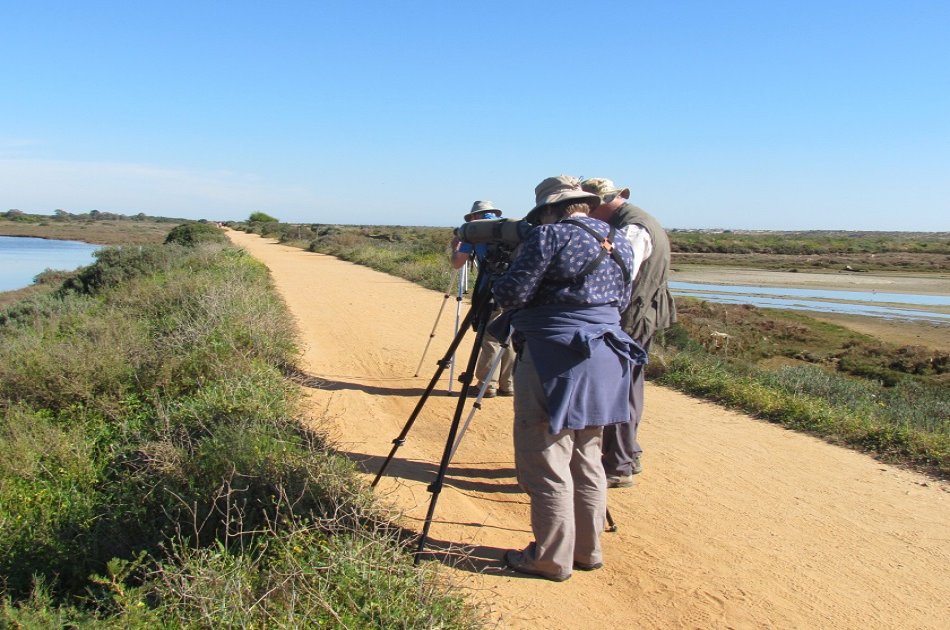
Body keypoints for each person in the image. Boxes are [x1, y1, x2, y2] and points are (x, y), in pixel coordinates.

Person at [490, 175, 646, 581]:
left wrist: (501, 272)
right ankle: (586, 550)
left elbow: (510, 295)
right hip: (606, 355)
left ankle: (549, 558)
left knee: (545, 454)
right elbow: (622, 300)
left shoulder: (549, 238)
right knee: (587, 454)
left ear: (549, 210)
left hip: (553, 355)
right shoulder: (620, 242)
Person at [580, 177, 678, 488]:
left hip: (631, 316)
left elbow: (618, 274)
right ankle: (627, 454)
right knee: (629, 385)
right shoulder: (636, 220)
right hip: (640, 313)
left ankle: (617, 463)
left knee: (617, 388)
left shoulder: (632, 229)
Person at [449, 201, 516, 398]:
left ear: (475, 216)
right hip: (517, 289)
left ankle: (487, 385)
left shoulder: (476, 232)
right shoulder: (510, 230)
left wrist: (456, 247)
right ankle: (508, 383)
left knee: (490, 336)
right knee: (510, 335)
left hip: (492, 290)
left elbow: (457, 263)